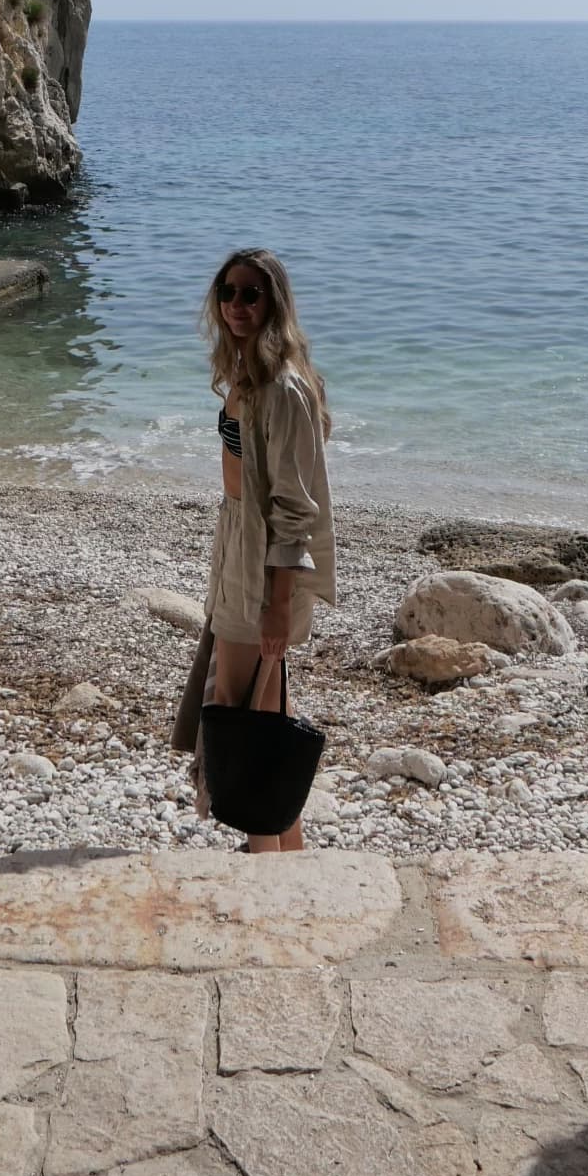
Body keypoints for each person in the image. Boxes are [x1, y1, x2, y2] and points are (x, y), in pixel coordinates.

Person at [174, 247, 335, 852]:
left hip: (266, 566)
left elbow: (296, 507)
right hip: (237, 548)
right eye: (228, 293)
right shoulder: (246, 375)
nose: (237, 306)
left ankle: (263, 844)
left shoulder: (285, 389)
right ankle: (281, 842)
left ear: (275, 303)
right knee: (260, 707)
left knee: (238, 709)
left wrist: (278, 604)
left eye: (251, 294)